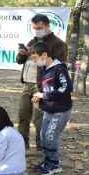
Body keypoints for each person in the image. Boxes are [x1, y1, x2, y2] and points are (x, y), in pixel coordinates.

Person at [16, 14, 67, 150]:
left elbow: (57, 65)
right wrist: (22, 54)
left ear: (47, 26)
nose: (36, 30)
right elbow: (19, 61)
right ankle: (22, 144)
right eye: (34, 28)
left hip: (42, 86)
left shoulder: (58, 44)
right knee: (23, 115)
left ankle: (41, 146)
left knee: (39, 120)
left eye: (39, 28)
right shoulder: (32, 42)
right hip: (27, 84)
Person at [30, 42, 73, 175]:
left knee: (50, 137)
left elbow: (66, 88)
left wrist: (44, 95)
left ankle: (54, 165)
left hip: (60, 111)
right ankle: (47, 161)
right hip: (48, 109)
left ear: (44, 55)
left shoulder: (59, 68)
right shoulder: (45, 69)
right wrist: (40, 97)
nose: (35, 62)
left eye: (36, 58)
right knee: (43, 136)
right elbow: (46, 89)